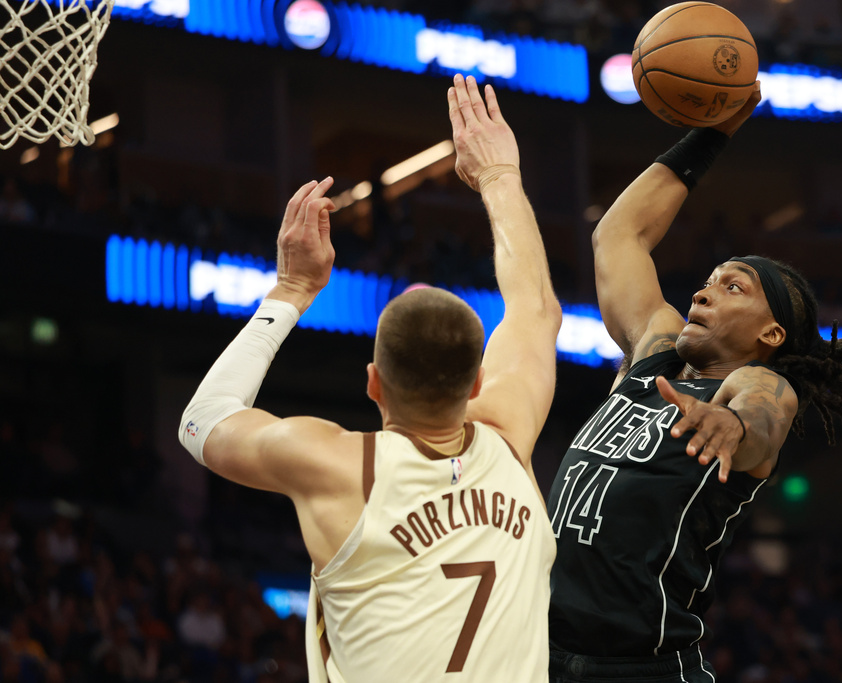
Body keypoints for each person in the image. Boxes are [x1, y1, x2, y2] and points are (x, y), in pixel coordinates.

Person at [178, 74, 561, 683]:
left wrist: (292, 290)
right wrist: (499, 178)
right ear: (478, 381)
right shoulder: (509, 440)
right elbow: (536, 308)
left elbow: (202, 420)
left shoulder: (334, 466)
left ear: (372, 383)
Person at [546, 83, 842, 682]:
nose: (702, 291)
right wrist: (711, 134)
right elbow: (618, 236)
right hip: (538, 656)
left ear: (771, 335)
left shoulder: (757, 385)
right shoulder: (652, 353)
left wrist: (732, 427)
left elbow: (766, 416)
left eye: (733, 287)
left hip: (644, 669)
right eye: (709, 280)